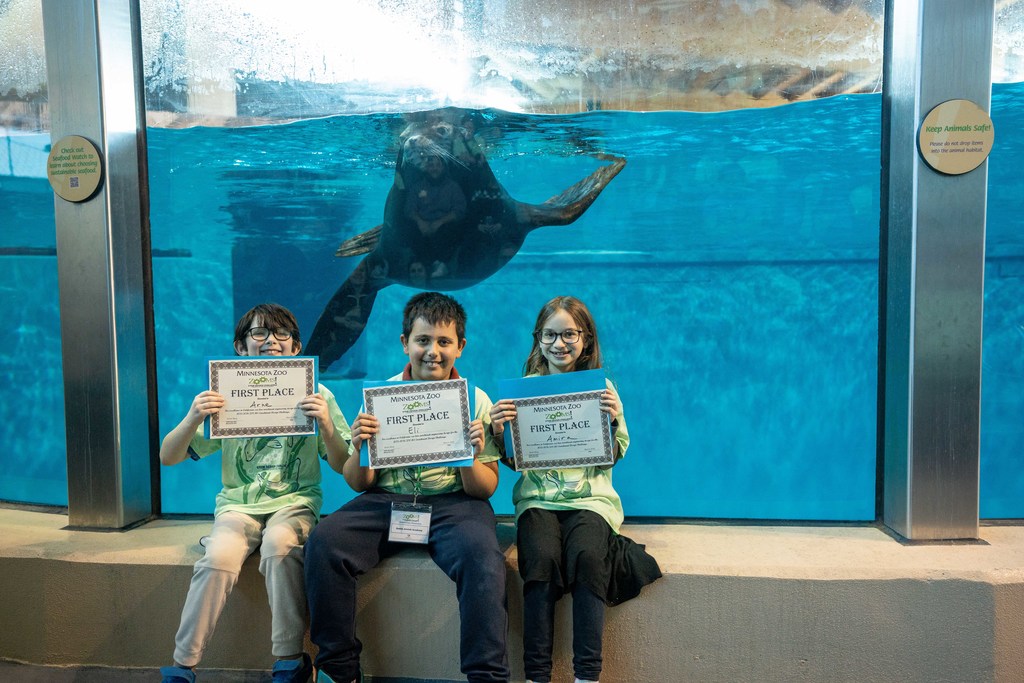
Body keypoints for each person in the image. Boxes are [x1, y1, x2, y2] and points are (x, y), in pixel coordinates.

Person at [304, 292, 510, 683]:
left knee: (483, 557)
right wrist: (362, 448)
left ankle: (487, 676)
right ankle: (338, 669)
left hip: (455, 504)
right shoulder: (379, 399)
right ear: (405, 343)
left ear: (460, 348)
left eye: (444, 342)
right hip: (388, 500)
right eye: (423, 340)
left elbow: (484, 490)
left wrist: (468, 456)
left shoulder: (475, 401)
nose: (433, 351)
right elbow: (357, 483)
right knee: (324, 542)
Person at [159, 303, 351, 683]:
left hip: (295, 503)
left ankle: (289, 661)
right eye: (259, 334)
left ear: (297, 348)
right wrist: (194, 416)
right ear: (240, 347)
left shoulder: (318, 393)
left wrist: (327, 425)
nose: (271, 342)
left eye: (282, 335)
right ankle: (182, 667)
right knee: (217, 557)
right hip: (237, 507)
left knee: (280, 546)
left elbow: (343, 463)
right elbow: (169, 456)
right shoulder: (222, 396)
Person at [489, 296, 661, 683]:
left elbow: (614, 454)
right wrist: (500, 432)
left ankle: (587, 675)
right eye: (549, 334)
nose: (559, 343)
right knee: (541, 560)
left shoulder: (601, 389)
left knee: (586, 557)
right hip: (538, 501)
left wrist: (614, 419)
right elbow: (515, 461)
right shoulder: (523, 392)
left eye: (569, 333)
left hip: (591, 501)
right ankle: (536, 675)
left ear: (586, 338)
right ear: (538, 339)